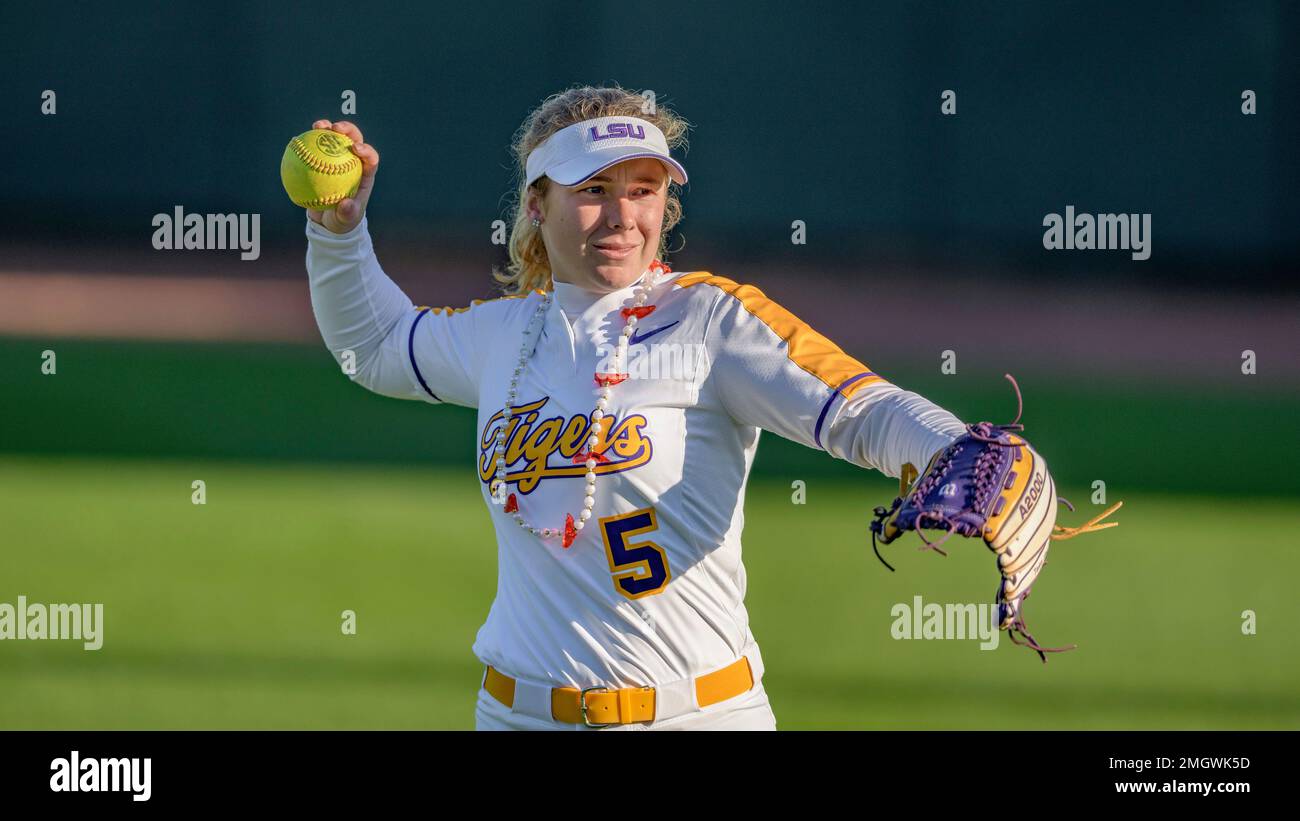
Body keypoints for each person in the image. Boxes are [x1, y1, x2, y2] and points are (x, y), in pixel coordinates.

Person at [299, 84, 968, 730]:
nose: (623, 217)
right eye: (593, 190)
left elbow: (862, 408)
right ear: (537, 202)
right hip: (517, 715)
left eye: (643, 190)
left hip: (698, 715)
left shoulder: (711, 321)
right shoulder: (504, 334)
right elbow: (378, 345)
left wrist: (958, 451)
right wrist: (337, 235)